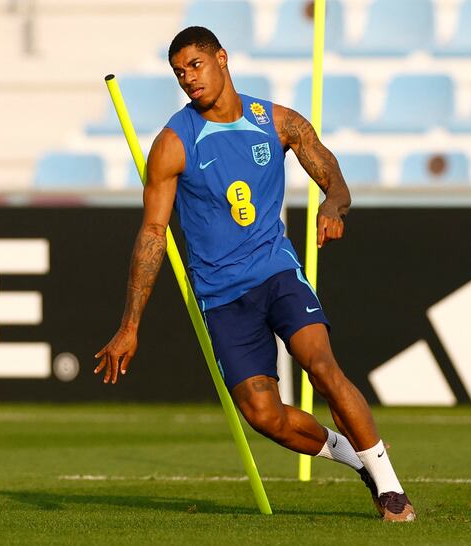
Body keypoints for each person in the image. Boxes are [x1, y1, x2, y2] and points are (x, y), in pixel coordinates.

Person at [94, 26, 415, 522]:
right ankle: (355, 458)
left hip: (276, 272)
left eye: (195, 66)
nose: (188, 80)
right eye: (179, 73)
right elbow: (153, 233)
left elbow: (331, 173)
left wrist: (334, 203)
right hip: (221, 296)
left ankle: (391, 489)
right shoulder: (174, 143)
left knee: (322, 366)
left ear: (222, 59)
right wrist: (130, 325)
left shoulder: (277, 122)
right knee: (264, 416)